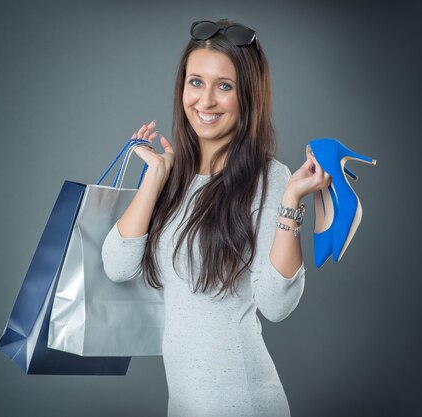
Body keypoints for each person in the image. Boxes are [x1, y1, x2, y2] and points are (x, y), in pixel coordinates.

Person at [101, 19, 330, 416]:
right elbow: (117, 266)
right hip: (184, 404)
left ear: (248, 96)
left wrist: (291, 200)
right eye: (195, 82)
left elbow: (276, 305)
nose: (205, 101)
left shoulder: (267, 178)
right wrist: (155, 179)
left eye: (224, 86)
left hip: (242, 402)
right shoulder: (173, 177)